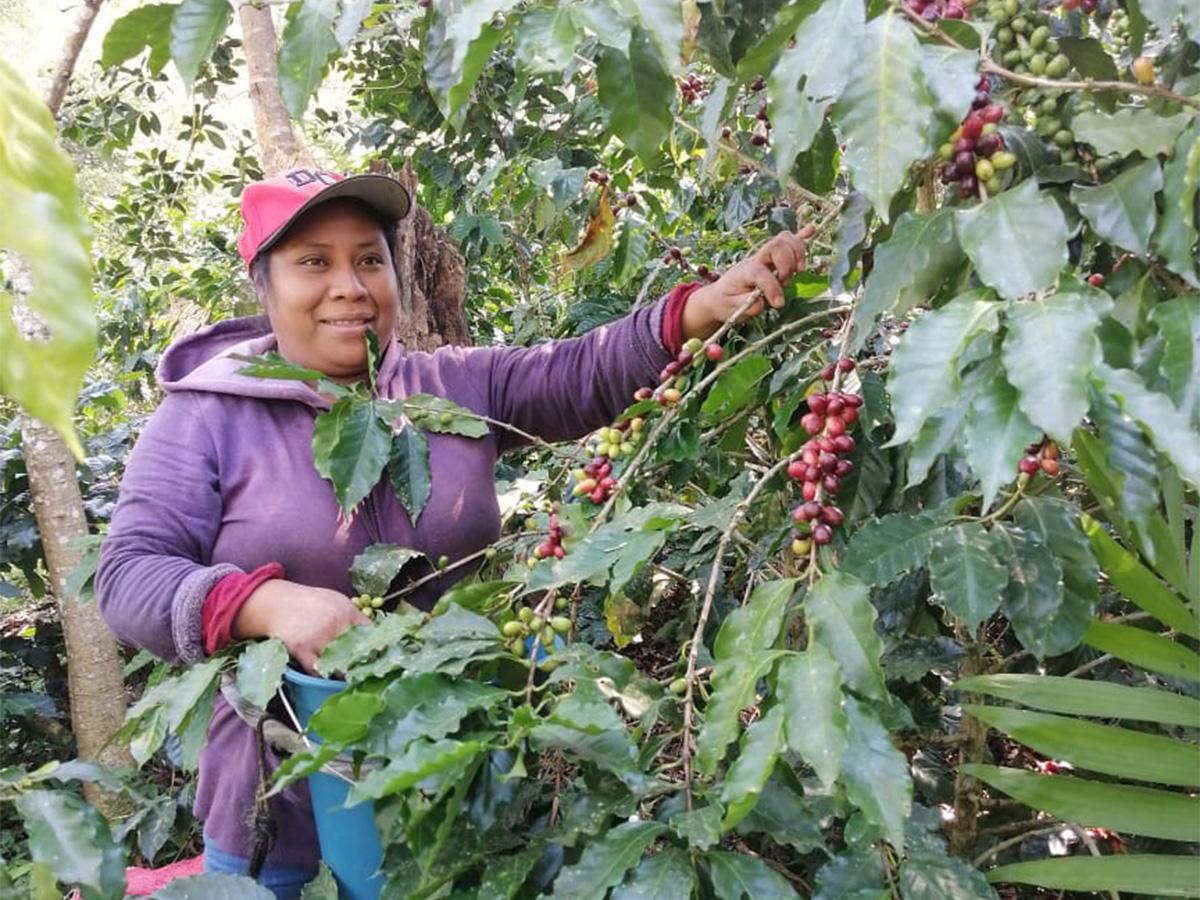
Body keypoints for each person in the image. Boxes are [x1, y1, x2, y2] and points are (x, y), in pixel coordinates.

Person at [95, 167, 814, 896]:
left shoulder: (451, 388)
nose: (349, 286)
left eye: (369, 260)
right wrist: (262, 605)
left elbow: (579, 372)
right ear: (265, 286)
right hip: (280, 821)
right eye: (314, 262)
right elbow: (127, 576)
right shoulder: (204, 416)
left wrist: (699, 310)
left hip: (463, 793)